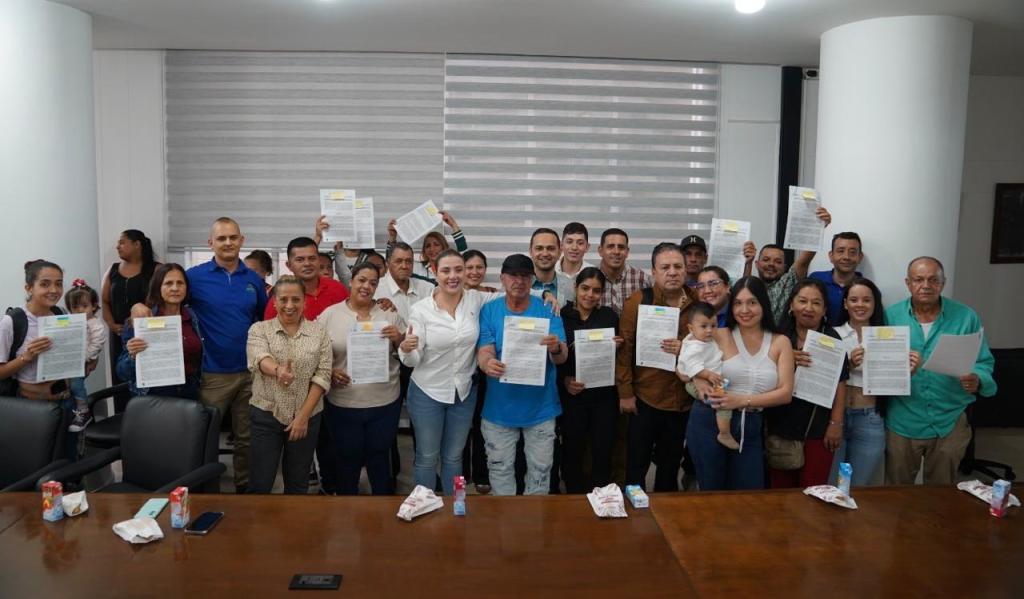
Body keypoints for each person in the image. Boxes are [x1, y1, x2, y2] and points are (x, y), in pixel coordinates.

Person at [399, 250, 508, 495]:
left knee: (454, 456)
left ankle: (456, 504)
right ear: (435, 272)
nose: (453, 276)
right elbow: (413, 360)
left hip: (463, 393)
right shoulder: (421, 310)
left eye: (459, 270)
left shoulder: (475, 299)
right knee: (427, 456)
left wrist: (545, 294)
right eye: (446, 270)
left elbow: (510, 293)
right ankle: (424, 504)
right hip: (427, 393)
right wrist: (406, 349)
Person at [884, 257, 996, 485]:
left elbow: (984, 361)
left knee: (943, 494)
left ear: (943, 283)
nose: (926, 285)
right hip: (903, 419)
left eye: (933, 280)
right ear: (908, 283)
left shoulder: (966, 316)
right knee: (896, 492)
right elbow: (878, 364)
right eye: (919, 279)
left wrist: (978, 378)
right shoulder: (890, 316)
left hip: (950, 420)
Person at [685, 277, 795, 490]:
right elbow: (683, 366)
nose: (744, 310)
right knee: (710, 494)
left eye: (752, 302)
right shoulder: (718, 334)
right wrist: (698, 379)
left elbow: (785, 393)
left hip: (751, 423)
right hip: (708, 420)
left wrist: (741, 401)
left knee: (749, 494)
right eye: (738, 303)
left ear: (763, 304)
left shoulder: (780, 342)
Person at [187, 217, 268, 494]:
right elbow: (166, 299)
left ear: (241, 241)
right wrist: (139, 307)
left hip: (250, 373)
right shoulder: (193, 277)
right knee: (205, 436)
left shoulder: (253, 280)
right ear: (210, 243)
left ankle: (244, 487)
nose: (228, 243)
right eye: (221, 238)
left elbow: (263, 319)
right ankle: (205, 487)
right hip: (213, 373)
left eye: (233, 237)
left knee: (247, 437)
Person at [477, 254, 568, 495]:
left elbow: (562, 357)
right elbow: (484, 349)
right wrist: (487, 363)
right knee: (500, 472)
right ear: (502, 278)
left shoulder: (548, 309)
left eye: (525, 276)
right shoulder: (489, 310)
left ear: (532, 280)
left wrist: (555, 347)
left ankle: (534, 518)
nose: (519, 281)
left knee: (540, 474)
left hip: (540, 409)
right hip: (499, 409)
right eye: (513, 276)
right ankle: (504, 518)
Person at [264, 237, 349, 494]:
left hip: (336, 381)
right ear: (289, 264)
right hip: (295, 384)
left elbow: (355, 316)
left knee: (330, 441)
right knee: (297, 446)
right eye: (300, 259)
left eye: (312, 258)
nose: (307, 263)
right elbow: (273, 344)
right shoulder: (279, 297)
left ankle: (330, 486)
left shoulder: (337, 289)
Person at [318, 262, 406, 495]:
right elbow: (314, 354)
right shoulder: (330, 315)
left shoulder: (388, 313)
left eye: (373, 283)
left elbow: (409, 353)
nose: (367, 286)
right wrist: (330, 372)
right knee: (347, 457)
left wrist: (398, 338)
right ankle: (347, 504)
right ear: (351, 281)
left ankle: (382, 505)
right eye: (362, 280)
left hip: (384, 401)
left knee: (379, 456)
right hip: (343, 402)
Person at [617, 243, 696, 492]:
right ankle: (634, 510)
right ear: (653, 271)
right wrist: (625, 392)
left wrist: (685, 347)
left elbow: (710, 344)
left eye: (678, 266)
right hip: (645, 397)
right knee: (636, 464)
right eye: (665, 267)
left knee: (669, 466)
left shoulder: (697, 303)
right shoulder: (639, 301)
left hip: (682, 399)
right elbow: (624, 349)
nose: (672, 272)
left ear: (685, 270)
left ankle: (666, 512)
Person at [246, 276, 332, 495]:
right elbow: (258, 357)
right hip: (266, 415)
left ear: (305, 301)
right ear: (274, 302)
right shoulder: (259, 329)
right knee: (260, 482)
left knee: (298, 482)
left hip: (307, 416)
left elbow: (323, 376)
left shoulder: (319, 332)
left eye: (296, 299)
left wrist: (303, 417)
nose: (290, 305)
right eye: (283, 299)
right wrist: (277, 370)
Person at [829, 277, 919, 487]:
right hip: (836, 418)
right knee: (832, 484)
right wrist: (848, 365)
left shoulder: (888, 337)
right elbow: (821, 379)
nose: (860, 305)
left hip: (869, 418)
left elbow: (892, 381)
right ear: (845, 304)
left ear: (875, 303)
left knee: (859, 485)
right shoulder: (833, 334)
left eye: (867, 300)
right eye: (854, 300)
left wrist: (907, 371)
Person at [769, 279, 849, 488]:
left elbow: (840, 384)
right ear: (791, 304)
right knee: (779, 491)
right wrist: (785, 358)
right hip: (780, 426)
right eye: (802, 301)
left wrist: (836, 423)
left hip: (818, 428)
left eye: (816, 303)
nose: (808, 308)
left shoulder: (832, 339)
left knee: (813, 489)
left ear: (824, 310)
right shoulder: (778, 336)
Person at [558, 267, 623, 493]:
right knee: (572, 449)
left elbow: (618, 357)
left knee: (603, 449)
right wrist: (565, 380)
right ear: (575, 287)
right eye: (585, 288)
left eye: (596, 291)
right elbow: (553, 358)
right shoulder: (562, 316)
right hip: (572, 396)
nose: (590, 295)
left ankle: (601, 497)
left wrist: (617, 345)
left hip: (603, 396)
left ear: (602, 293)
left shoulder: (609, 316)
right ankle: (574, 496)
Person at [118, 264, 203, 400]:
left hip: (189, 391)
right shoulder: (141, 319)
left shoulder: (193, 317)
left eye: (180, 283)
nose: (175, 288)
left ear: (186, 288)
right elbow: (122, 372)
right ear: (158, 287)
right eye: (168, 283)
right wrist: (132, 356)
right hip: (153, 394)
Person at [0, 260, 69, 404]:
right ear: (29, 288)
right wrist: (27, 356)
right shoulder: (12, 321)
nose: (54, 290)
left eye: (59, 284)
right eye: (45, 284)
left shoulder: (61, 313)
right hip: (28, 406)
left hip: (63, 399)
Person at [750, 207, 831, 323]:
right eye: (766, 260)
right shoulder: (750, 286)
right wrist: (747, 263)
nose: (771, 264)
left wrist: (820, 227)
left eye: (778, 262)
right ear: (757, 264)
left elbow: (804, 261)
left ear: (784, 267)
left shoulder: (788, 283)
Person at [101, 230, 158, 383]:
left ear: (137, 244)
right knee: (120, 376)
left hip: (146, 334)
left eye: (122, 242)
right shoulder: (112, 269)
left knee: (146, 376)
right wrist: (111, 325)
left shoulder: (157, 269)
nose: (117, 246)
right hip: (118, 334)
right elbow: (104, 301)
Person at [678, 302, 737, 450]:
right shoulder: (694, 346)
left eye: (713, 325)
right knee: (723, 403)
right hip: (696, 384)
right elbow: (692, 366)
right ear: (691, 328)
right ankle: (724, 433)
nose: (710, 330)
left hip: (711, 381)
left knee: (721, 400)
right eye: (704, 326)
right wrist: (708, 375)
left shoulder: (703, 340)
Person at [461, 248, 495, 493]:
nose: (474, 272)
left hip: (484, 371)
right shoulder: (450, 295)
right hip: (460, 371)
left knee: (482, 424)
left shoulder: (490, 296)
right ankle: (461, 474)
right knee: (460, 428)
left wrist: (545, 292)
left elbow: (518, 291)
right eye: (469, 267)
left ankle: (482, 473)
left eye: (479, 267)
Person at [63, 280, 107, 431]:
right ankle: (74, 410)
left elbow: (97, 344)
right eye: (75, 307)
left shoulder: (95, 324)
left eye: (84, 306)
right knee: (70, 386)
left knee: (76, 384)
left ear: (93, 306)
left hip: (83, 360)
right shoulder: (70, 321)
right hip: (71, 359)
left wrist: (84, 358)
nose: (80, 310)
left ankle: (84, 410)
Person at [385, 211, 468, 284]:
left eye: (436, 244)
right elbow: (391, 261)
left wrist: (453, 225)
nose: (432, 249)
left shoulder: (452, 266)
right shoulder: (416, 268)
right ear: (424, 251)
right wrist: (392, 237)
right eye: (428, 246)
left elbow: (465, 255)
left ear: (444, 247)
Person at [809, 232, 864, 324]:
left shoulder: (866, 288)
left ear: (860, 257)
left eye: (852, 252)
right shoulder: (815, 280)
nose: (846, 257)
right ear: (831, 256)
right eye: (840, 251)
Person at [376, 242, 434, 324]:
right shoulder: (376, 290)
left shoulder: (428, 289)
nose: (404, 266)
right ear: (387, 264)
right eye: (398, 261)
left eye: (408, 261)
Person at [598, 228, 651, 315]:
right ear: (600, 251)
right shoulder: (589, 280)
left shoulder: (643, 280)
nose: (616, 252)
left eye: (621, 247)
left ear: (627, 252)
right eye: (610, 246)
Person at [529, 228, 575, 306]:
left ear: (559, 252)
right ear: (530, 252)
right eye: (539, 248)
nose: (545, 254)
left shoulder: (571, 287)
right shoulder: (516, 284)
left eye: (551, 248)